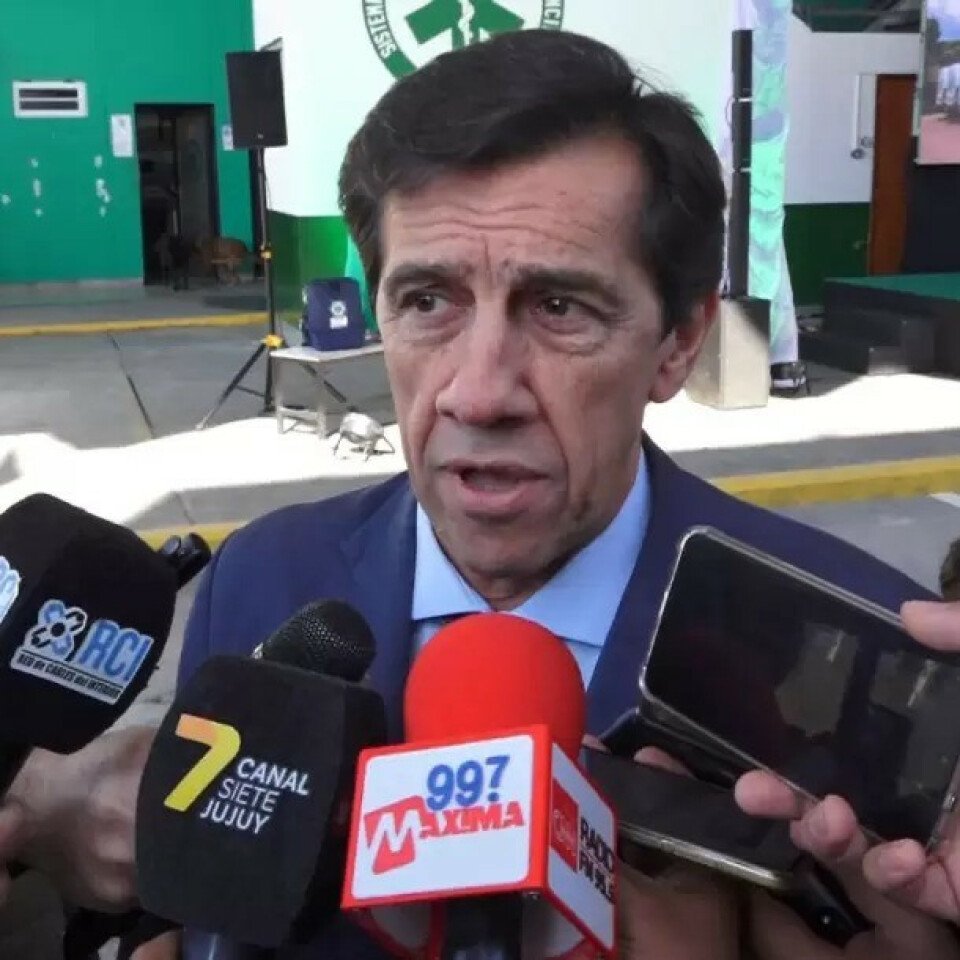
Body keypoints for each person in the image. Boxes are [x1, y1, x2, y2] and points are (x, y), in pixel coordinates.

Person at [5, 28, 960, 959]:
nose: (478, 391)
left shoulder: (859, 654)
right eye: (428, 301)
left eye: (559, 306)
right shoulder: (263, 577)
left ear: (677, 343)